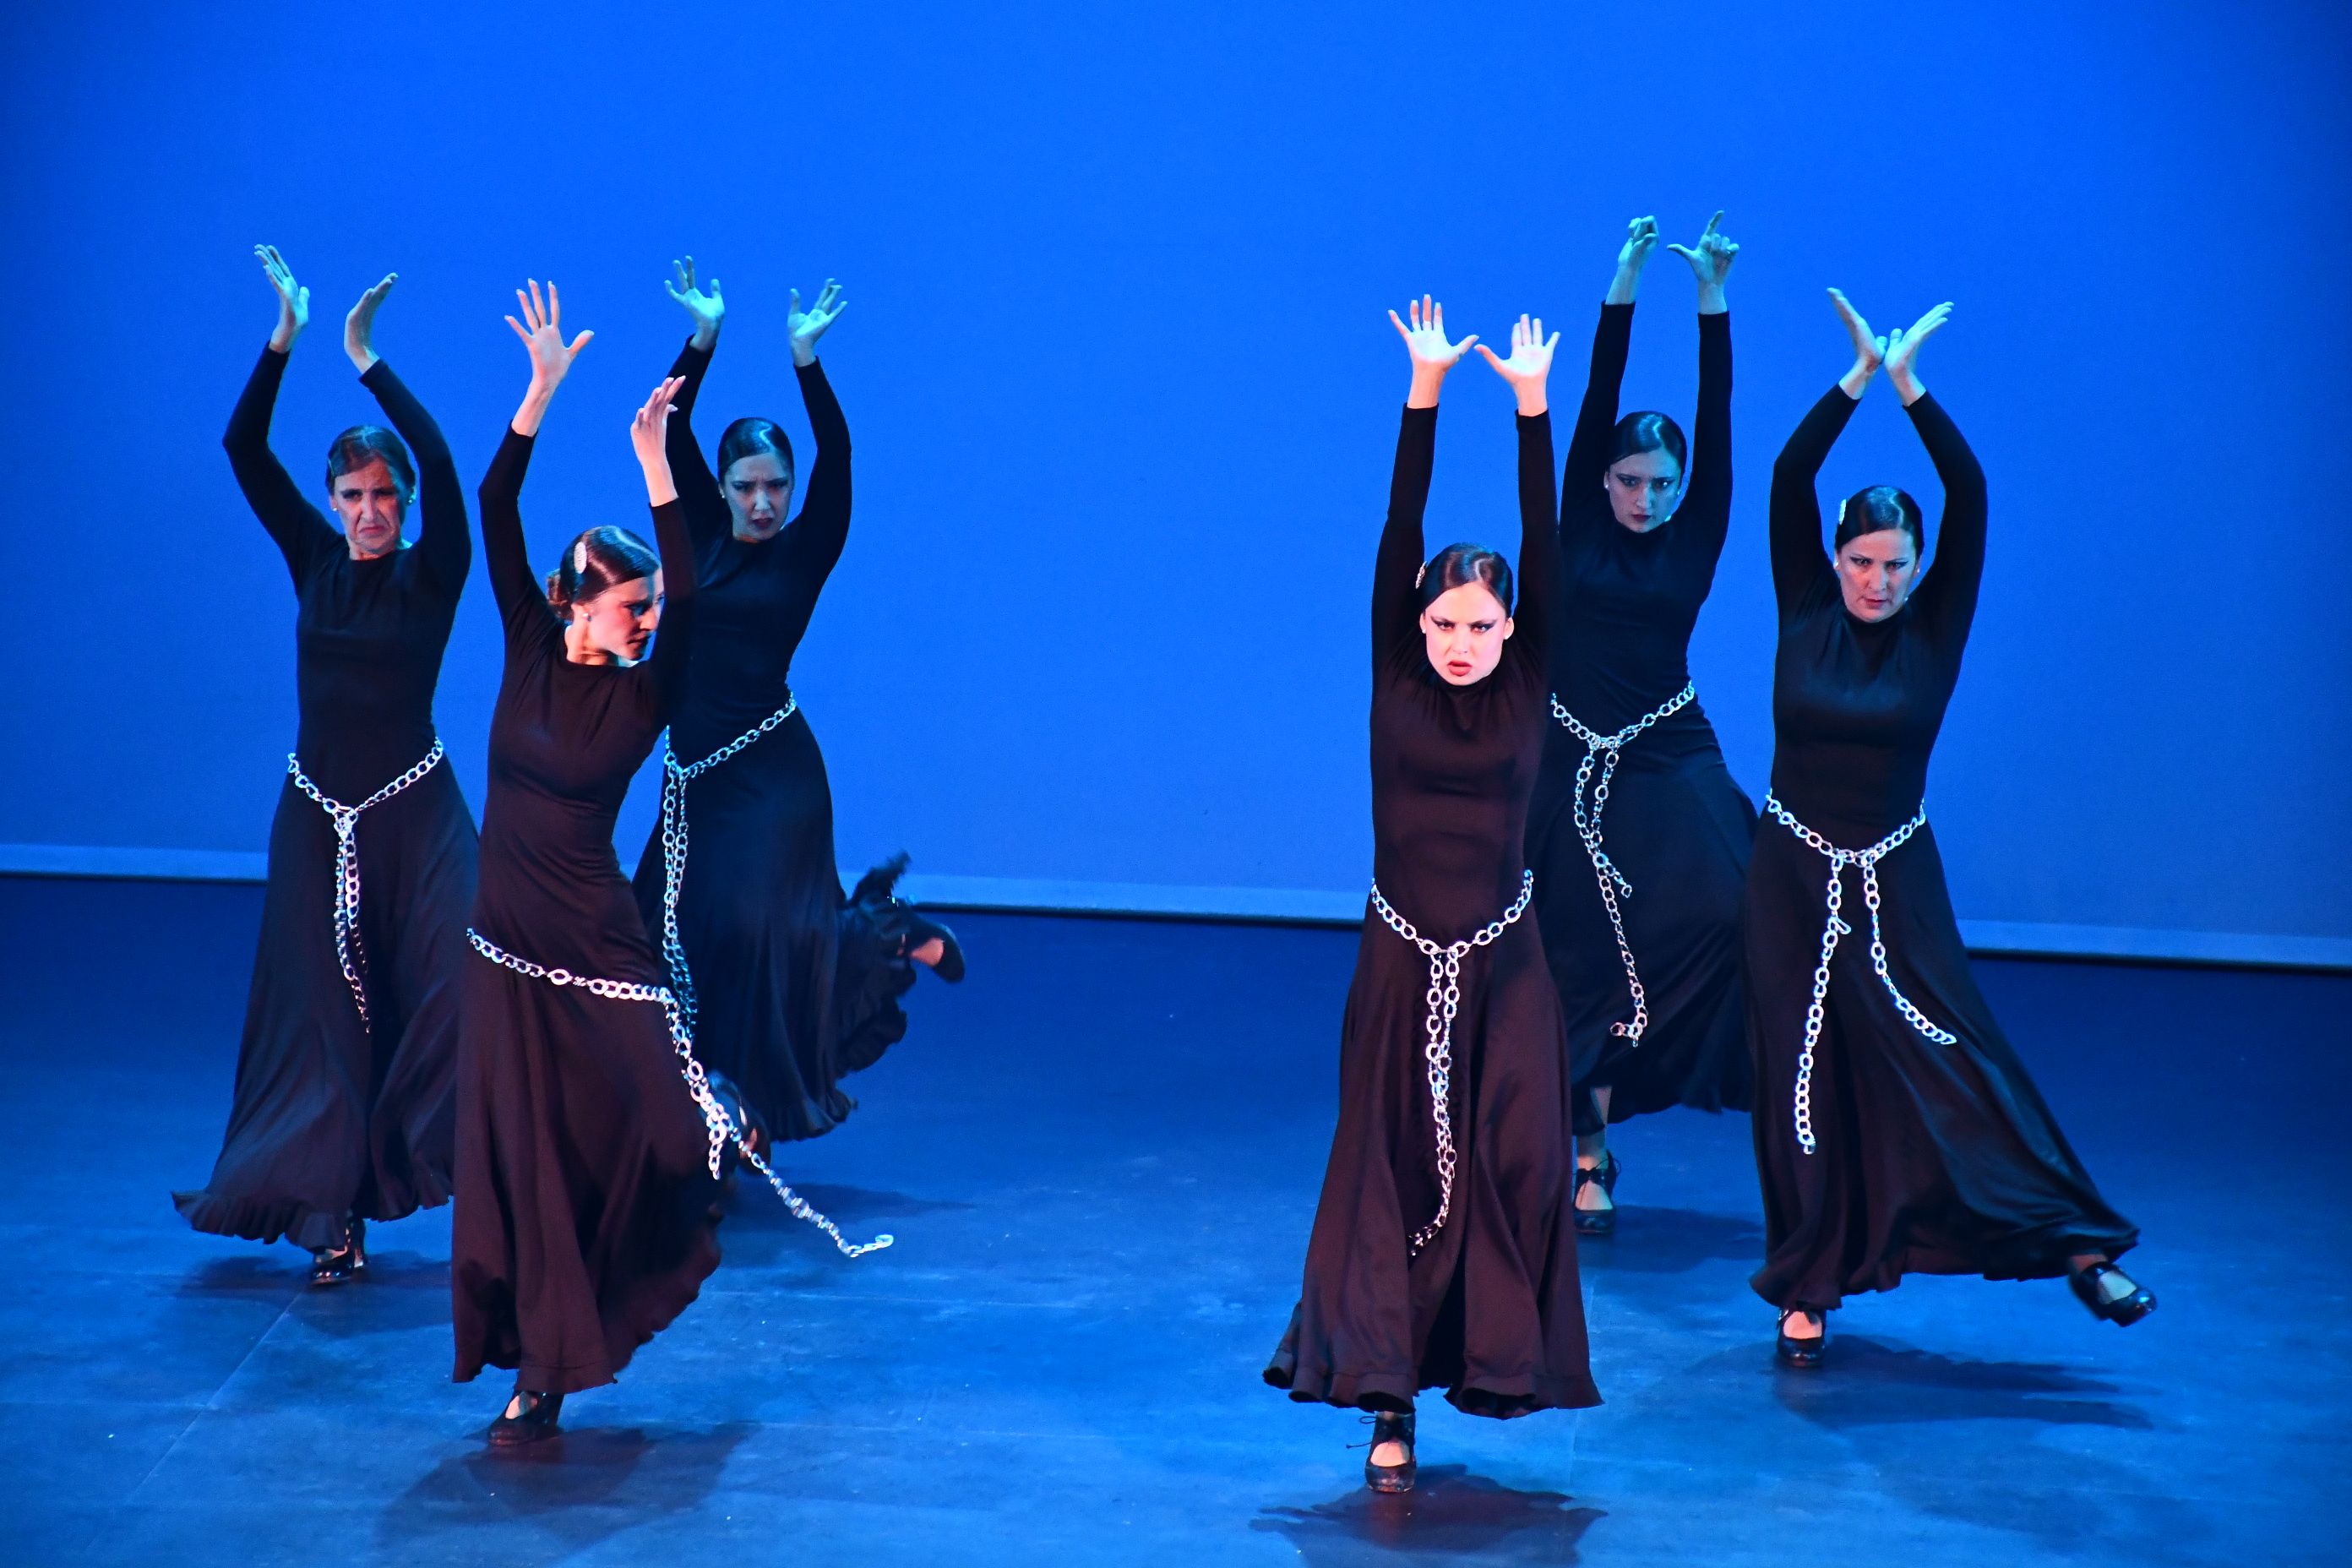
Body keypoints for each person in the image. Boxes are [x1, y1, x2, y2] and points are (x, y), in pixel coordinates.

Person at [1748, 289, 2155, 1368]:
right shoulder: (1802, 604)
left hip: (1896, 881)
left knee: (1960, 1058)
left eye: (1897, 563)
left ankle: (2073, 1244)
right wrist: (1850, 382)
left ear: (1921, 567)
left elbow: (1967, 488)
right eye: (1862, 560)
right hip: (1787, 875)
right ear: (1834, 558)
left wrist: (1911, 388)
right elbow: (1790, 479)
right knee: (1801, 1079)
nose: (1879, 580)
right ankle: (1806, 1280)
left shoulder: (1936, 624)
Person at [1266, 301, 1599, 1493]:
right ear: (1417, 619)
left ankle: (1497, 1358)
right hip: (1401, 961)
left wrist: (1528, 406)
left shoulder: (1529, 679)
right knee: (1388, 1174)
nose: (1463, 641)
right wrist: (1423, 391)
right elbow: (1399, 519)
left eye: (1485, 624)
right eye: (1446, 622)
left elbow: (1545, 537)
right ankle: (1386, 1399)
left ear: (1515, 629)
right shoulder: (1395, 673)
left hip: (1509, 968)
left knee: (1515, 1167)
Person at [449, 280, 732, 1446]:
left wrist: (653, 454)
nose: (646, 620)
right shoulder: (525, 640)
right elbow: (493, 501)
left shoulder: (649, 692)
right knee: (530, 1167)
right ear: (572, 605)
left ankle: (723, 1123)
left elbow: (696, 583)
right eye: (628, 607)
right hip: (506, 955)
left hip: (599, 950)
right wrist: (538, 396)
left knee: (671, 1142)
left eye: (649, 605)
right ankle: (542, 1371)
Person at [175, 248, 476, 1286]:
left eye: (383, 492)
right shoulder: (312, 556)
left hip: (415, 816)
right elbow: (240, 446)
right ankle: (332, 1210)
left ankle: (489, 1177)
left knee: (453, 988)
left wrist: (364, 360)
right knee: (326, 1022)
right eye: (352, 494)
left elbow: (444, 462)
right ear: (334, 499)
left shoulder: (433, 574)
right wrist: (282, 341)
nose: (369, 509)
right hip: (315, 817)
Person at [630, 259, 961, 1159]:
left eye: (776, 483)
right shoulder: (696, 523)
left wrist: (806, 364)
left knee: (764, 935)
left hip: (774, 774)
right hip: (696, 775)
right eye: (749, 486)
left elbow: (840, 460)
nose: (765, 500)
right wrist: (702, 340)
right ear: (725, 488)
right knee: (673, 930)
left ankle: (879, 945)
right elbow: (672, 422)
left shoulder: (806, 548)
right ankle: (714, 1108)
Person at [1527, 215, 1756, 1238]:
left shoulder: (1697, 523)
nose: (1648, 497)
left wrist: (1713, 299)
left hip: (1668, 745)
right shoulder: (1579, 512)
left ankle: (1786, 1107)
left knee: (1738, 899)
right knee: (1575, 946)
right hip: (1570, 747)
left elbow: (1721, 408)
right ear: (1604, 480)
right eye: (1632, 480)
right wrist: (1622, 280)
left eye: (1664, 483)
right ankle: (1588, 1149)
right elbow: (1596, 399)